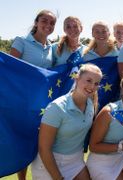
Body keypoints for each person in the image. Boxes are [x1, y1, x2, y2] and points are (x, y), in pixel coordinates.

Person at [31, 64, 103, 180]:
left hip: (76, 161)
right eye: (88, 80)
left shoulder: (91, 104)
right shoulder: (57, 108)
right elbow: (44, 148)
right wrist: (58, 177)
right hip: (49, 164)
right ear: (77, 79)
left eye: (96, 83)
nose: (92, 86)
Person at [10, 9, 57, 180]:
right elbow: (10, 69)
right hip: (21, 102)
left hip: (41, 103)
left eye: (52, 23)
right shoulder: (21, 41)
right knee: (21, 141)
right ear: (36, 22)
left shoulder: (52, 47)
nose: (48, 25)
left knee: (37, 140)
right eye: (44, 20)